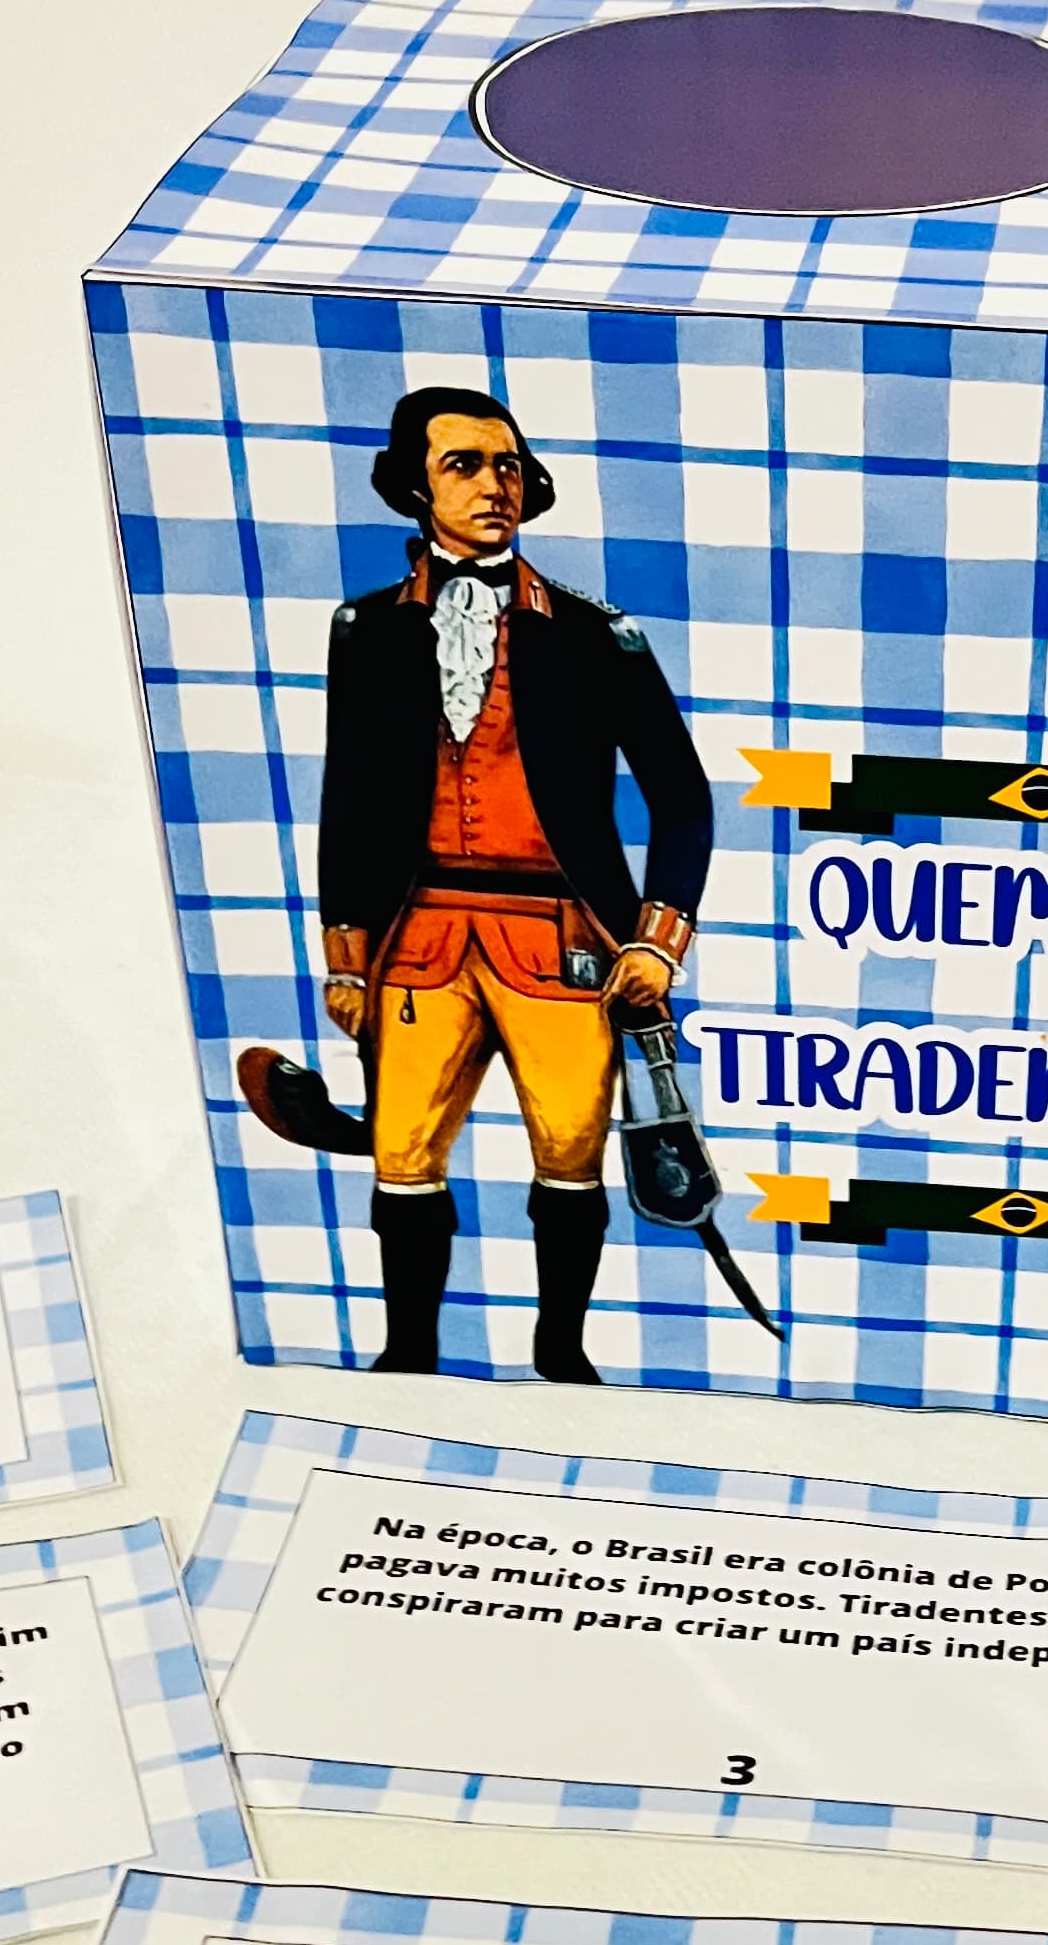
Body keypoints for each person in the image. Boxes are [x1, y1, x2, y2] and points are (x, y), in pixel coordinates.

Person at [237, 385, 714, 1380]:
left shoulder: (596, 633)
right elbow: (346, 800)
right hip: (418, 938)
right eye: (464, 465)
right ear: (415, 486)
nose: (496, 486)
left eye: (509, 467)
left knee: (571, 1158)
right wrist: (347, 958)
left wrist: (655, 943)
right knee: (402, 1157)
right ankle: (408, 1359)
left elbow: (681, 795)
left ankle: (561, 1357)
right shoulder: (364, 628)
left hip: (563, 939)